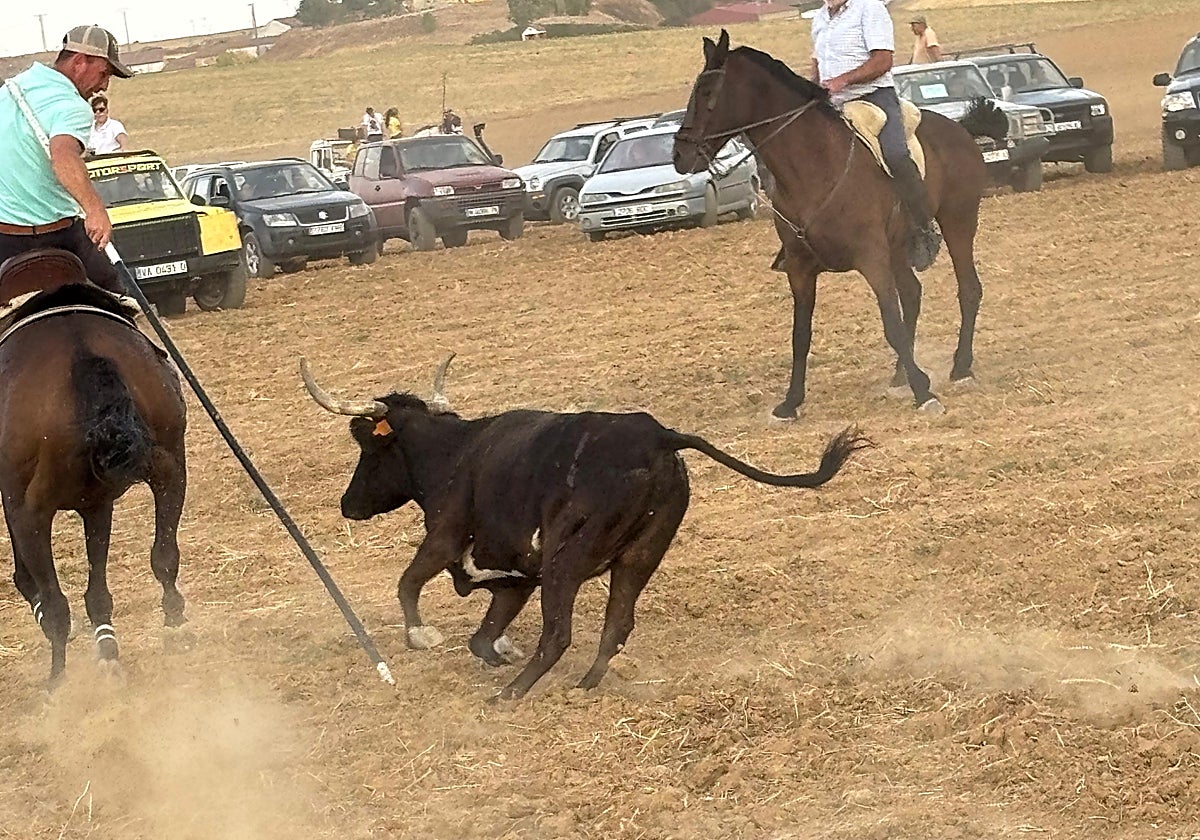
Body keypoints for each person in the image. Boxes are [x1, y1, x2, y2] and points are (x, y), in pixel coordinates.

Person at [0, 25, 133, 293]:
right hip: (61, 238)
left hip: (4, 241)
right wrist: (95, 209)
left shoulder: (8, 92)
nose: (104, 85)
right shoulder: (73, 106)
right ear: (80, 62)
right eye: (104, 73)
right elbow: (63, 155)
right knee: (118, 297)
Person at [811, 0, 941, 270]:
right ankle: (799, 240)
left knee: (895, 154)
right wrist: (811, 89)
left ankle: (924, 228)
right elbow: (818, 62)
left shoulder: (869, 8)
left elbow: (883, 60)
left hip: (874, 97)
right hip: (832, 103)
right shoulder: (820, 18)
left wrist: (844, 80)